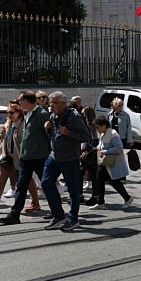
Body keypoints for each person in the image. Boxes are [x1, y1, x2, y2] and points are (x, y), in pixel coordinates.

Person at [39, 91, 91, 231]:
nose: (51, 105)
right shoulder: (53, 116)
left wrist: (69, 133)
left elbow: (86, 136)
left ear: (63, 103)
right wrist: (48, 130)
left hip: (69, 158)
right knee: (46, 183)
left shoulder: (73, 116)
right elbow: (54, 136)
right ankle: (58, 215)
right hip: (54, 156)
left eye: (54, 103)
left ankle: (73, 219)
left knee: (73, 190)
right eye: (51, 102)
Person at [0, 91, 49, 226]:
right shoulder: (27, 115)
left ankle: (57, 212)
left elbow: (50, 134)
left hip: (39, 157)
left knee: (47, 184)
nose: (19, 103)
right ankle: (14, 215)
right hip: (25, 157)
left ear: (27, 101)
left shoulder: (42, 114)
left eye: (20, 100)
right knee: (21, 187)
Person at [0, 103, 39, 215]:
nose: (9, 115)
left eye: (12, 112)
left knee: (27, 180)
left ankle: (35, 202)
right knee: (0, 179)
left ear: (19, 112)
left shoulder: (24, 123)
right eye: (8, 112)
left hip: (20, 156)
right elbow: (4, 136)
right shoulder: (8, 123)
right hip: (7, 155)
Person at [88, 116, 133, 208]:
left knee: (114, 181)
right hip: (104, 163)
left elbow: (119, 148)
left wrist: (105, 151)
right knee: (99, 180)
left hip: (112, 163)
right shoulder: (103, 134)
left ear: (104, 126)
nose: (97, 129)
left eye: (98, 127)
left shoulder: (113, 134)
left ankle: (127, 198)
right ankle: (100, 202)